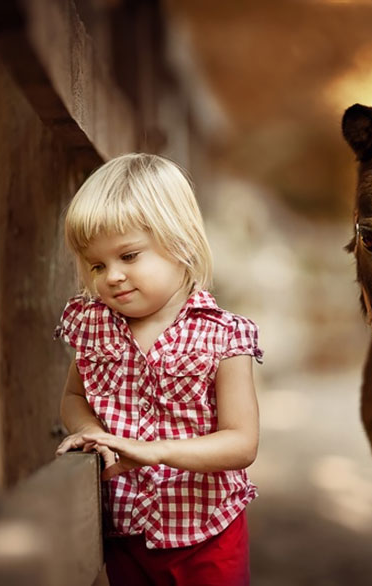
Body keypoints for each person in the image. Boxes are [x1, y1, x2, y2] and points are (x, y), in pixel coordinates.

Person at [54, 153, 262, 586]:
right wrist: (89, 430)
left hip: (208, 537)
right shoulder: (94, 326)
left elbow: (241, 442)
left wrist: (155, 450)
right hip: (125, 533)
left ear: (181, 243)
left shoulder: (223, 336)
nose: (111, 276)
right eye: (97, 265)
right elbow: (75, 397)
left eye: (128, 255)